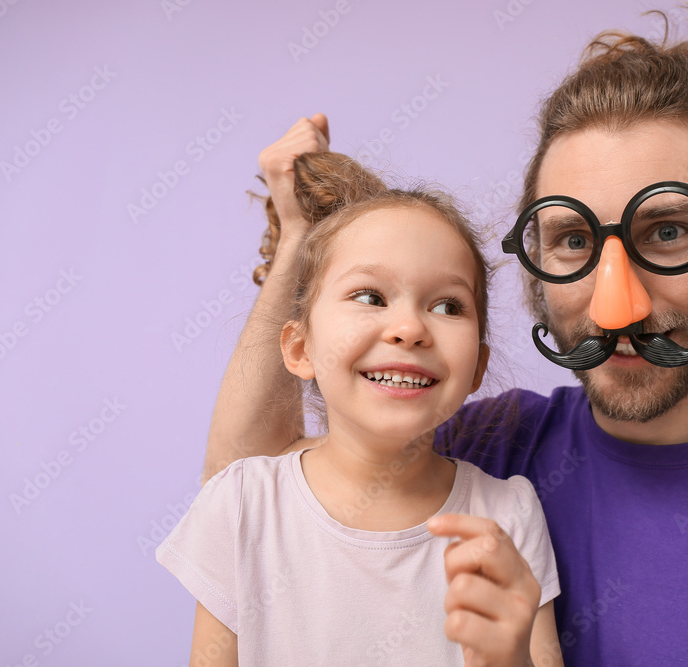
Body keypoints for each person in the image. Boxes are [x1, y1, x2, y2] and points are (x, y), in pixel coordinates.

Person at [202, 10, 688, 666]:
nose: (615, 305)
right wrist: (302, 241)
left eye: (666, 231)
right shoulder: (490, 449)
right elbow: (252, 486)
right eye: (571, 239)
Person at [158, 151, 564, 665]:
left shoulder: (509, 514)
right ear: (300, 350)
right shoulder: (243, 505)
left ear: (477, 367)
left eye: (447, 306)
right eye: (370, 297)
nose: (411, 329)